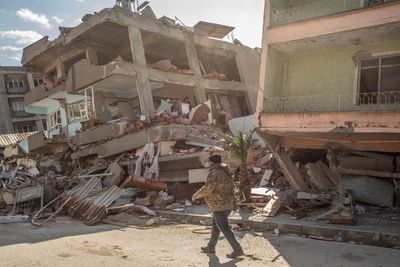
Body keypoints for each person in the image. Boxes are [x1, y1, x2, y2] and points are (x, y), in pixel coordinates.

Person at [192, 154, 244, 258]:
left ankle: (237, 249)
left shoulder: (214, 172)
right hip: (228, 203)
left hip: (219, 204)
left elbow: (208, 188)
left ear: (212, 162)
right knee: (216, 227)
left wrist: (196, 195)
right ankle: (211, 247)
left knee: (224, 228)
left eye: (210, 162)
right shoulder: (226, 171)